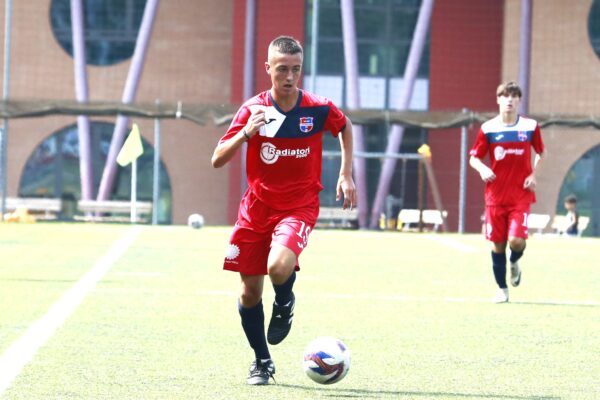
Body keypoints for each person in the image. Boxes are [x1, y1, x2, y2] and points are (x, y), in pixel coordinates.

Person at [211, 36, 356, 385]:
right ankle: (262, 361)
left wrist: (346, 173)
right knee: (248, 293)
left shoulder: (318, 107)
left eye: (295, 69)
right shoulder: (253, 110)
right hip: (256, 209)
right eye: (282, 70)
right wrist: (246, 133)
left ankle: (285, 300)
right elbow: (217, 159)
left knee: (278, 266)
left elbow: (345, 127)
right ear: (268, 69)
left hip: (299, 205)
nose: (289, 77)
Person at [469, 81, 546, 303]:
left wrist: (534, 174)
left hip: (520, 195)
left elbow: (541, 152)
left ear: (519, 100)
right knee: (498, 244)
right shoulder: (488, 128)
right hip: (495, 197)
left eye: (514, 96)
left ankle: (515, 261)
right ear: (498, 100)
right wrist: (483, 168)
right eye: (505, 96)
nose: (509, 100)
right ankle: (502, 289)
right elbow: (474, 157)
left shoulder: (530, 127)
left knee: (517, 241)